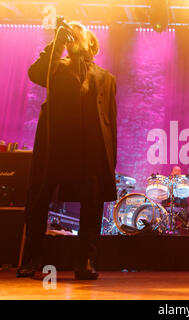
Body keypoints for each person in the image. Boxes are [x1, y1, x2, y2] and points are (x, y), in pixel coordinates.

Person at [16, 21, 117, 280]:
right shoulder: (55, 68)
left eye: (78, 31)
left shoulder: (106, 78)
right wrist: (58, 41)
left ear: (92, 44)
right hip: (56, 145)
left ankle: (84, 261)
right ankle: (31, 259)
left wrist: (109, 160)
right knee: (38, 200)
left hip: (90, 150)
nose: (73, 32)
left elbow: (110, 121)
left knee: (92, 206)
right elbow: (35, 72)